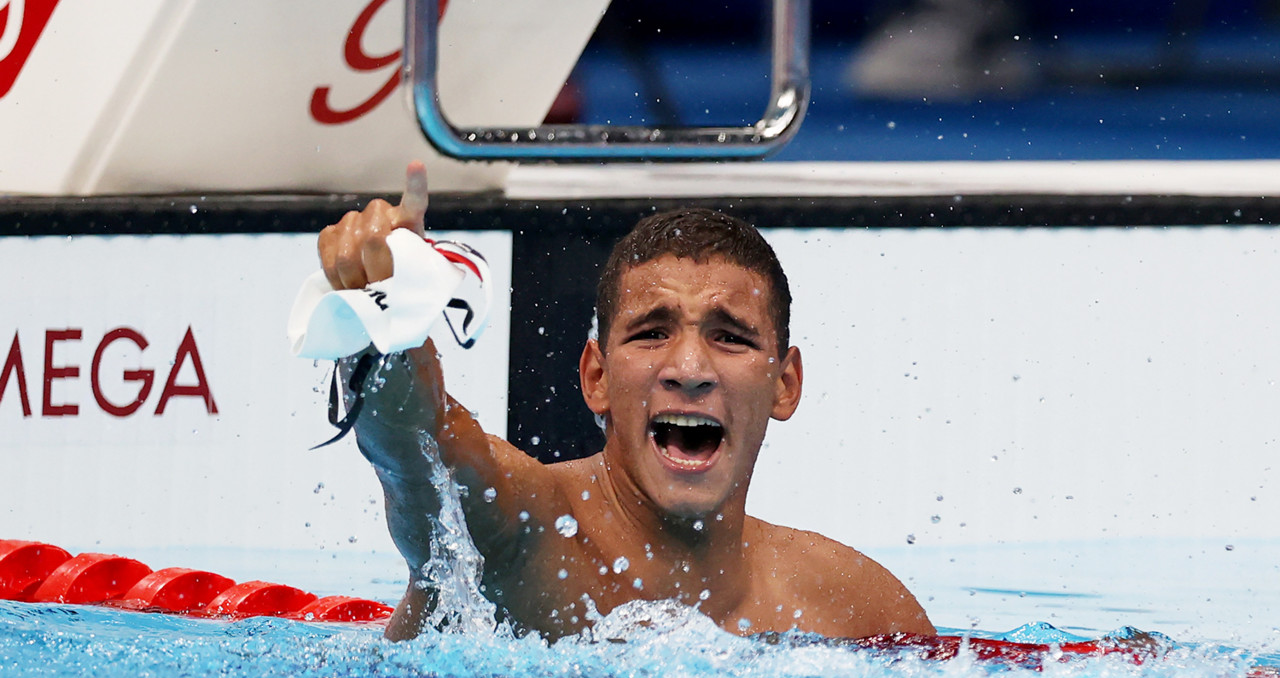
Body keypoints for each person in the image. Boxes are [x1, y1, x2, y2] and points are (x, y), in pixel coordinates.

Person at [318, 162, 934, 642]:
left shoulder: (857, 608)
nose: (689, 370)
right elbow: (413, 448)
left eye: (730, 337)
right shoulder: (518, 536)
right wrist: (385, 323)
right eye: (651, 333)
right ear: (596, 378)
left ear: (785, 384)